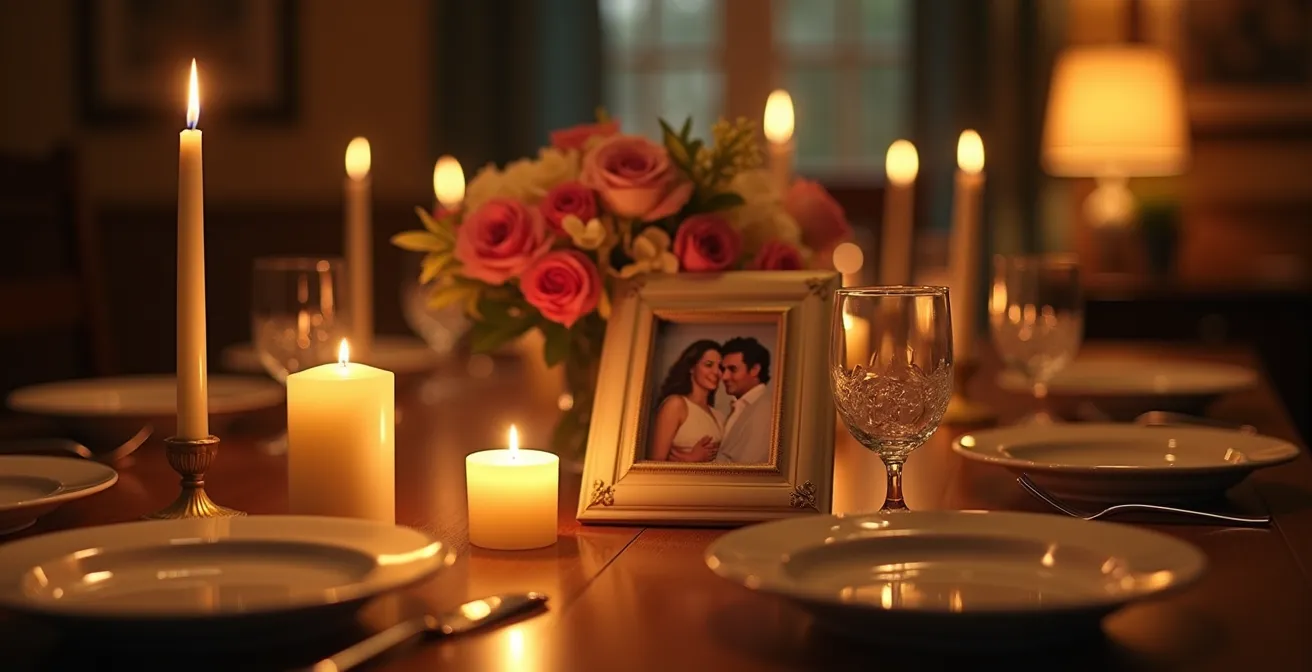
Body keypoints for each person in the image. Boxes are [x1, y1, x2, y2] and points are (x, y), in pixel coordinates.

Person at [649, 340, 725, 462]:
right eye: (709, 365)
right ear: (692, 368)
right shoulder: (676, 405)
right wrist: (692, 459)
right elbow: (655, 463)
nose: (716, 372)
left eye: (720, 367)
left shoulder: (719, 416)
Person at [716, 337, 773, 464]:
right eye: (723, 369)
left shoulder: (766, 408)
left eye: (733, 369)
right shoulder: (742, 405)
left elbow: (748, 466)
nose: (724, 377)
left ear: (755, 370)